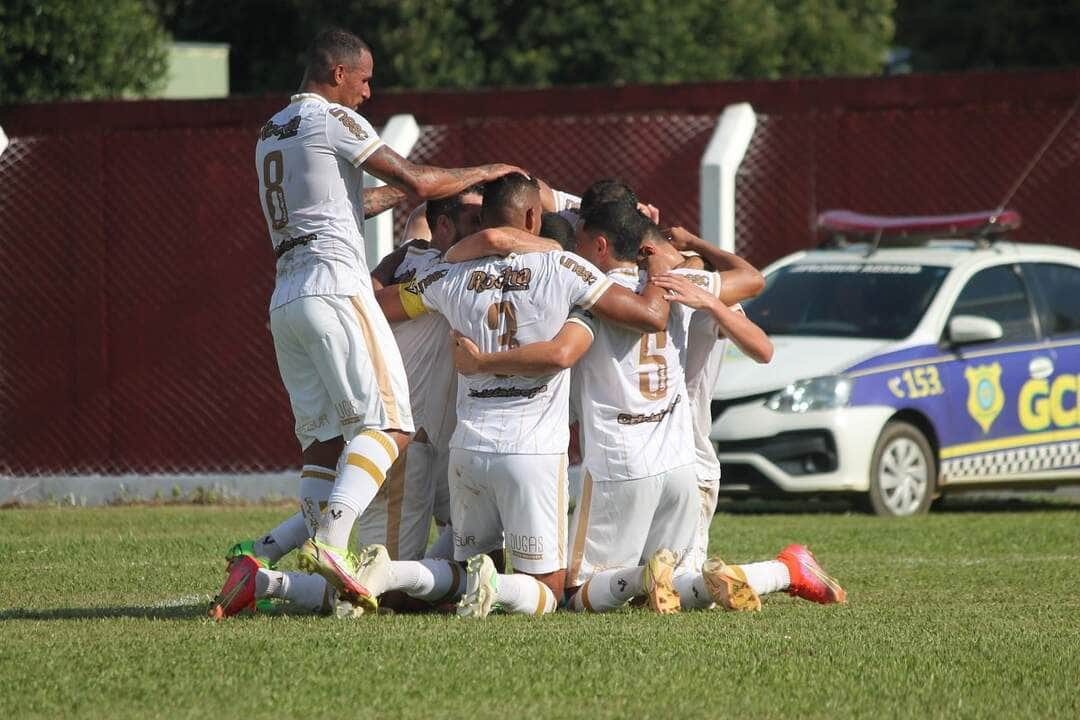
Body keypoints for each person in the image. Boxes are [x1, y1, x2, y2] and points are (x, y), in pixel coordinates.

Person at [210, 27, 524, 618]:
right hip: (335, 283)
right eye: (364, 79)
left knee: (324, 444)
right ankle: (331, 545)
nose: (369, 92)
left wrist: (398, 199)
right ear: (337, 74)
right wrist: (484, 172)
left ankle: (269, 557)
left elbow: (346, 201)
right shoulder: (334, 120)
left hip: (286, 294)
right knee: (391, 428)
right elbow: (419, 182)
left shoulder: (271, 130)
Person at [352, 173, 679, 618]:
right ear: (532, 217)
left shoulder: (448, 275)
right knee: (547, 595)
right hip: (531, 453)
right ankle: (445, 581)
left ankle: (392, 575)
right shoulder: (566, 268)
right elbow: (649, 316)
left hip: (467, 448)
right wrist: (657, 264)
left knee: (472, 571)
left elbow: (382, 307)